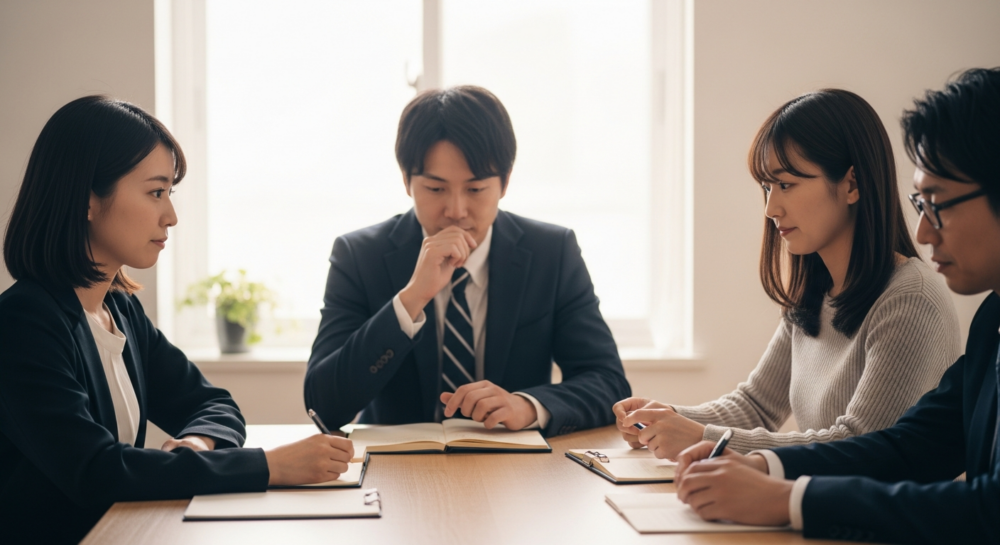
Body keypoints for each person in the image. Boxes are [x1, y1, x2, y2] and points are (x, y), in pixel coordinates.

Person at [0, 96, 354, 544]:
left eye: (169, 193)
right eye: (155, 192)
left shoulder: (119, 311)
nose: (170, 216)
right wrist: (270, 466)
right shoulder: (24, 324)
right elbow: (96, 471)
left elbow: (214, 406)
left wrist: (196, 445)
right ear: (87, 199)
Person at [672, 67, 1000, 544]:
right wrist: (762, 465)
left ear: (851, 184)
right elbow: (909, 447)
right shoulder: (992, 319)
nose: (925, 233)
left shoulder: (911, 297)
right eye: (919, 204)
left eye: (937, 203)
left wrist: (784, 497)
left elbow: (989, 510)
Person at [613, 89, 961, 458]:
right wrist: (665, 419)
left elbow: (859, 446)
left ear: (852, 184)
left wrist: (702, 437)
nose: (770, 207)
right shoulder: (815, 293)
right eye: (766, 186)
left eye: (785, 185)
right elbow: (756, 406)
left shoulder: (910, 299)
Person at [304, 86, 630, 436]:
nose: (455, 211)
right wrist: (411, 299)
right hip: (397, 471)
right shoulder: (359, 256)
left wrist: (527, 406)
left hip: (519, 471)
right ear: (406, 182)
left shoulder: (552, 252)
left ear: (504, 183)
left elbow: (609, 383)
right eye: (435, 189)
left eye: (475, 190)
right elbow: (323, 405)